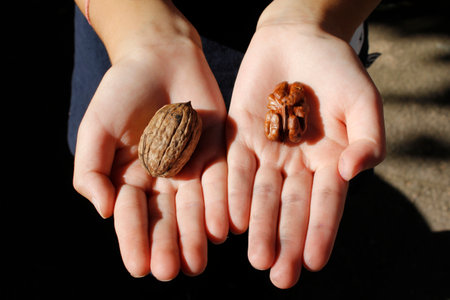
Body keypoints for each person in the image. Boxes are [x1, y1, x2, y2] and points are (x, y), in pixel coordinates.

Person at [70, 0, 385, 289]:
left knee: (307, 238)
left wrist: (316, 16)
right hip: (132, 54)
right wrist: (135, 31)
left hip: (317, 46)